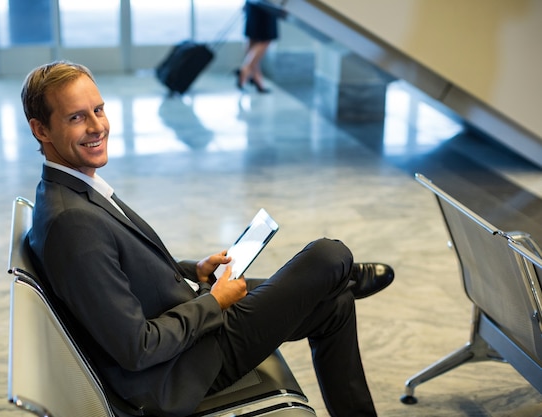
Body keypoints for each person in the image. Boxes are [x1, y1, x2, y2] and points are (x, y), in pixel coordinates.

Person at [22, 60, 394, 417]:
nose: (96, 126)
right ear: (41, 130)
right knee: (329, 256)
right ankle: (348, 274)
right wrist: (214, 303)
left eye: (98, 110)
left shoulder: (73, 191)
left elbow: (117, 271)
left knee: (336, 304)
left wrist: (190, 271)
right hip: (182, 368)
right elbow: (137, 348)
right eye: (76, 117)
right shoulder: (72, 222)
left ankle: (343, 286)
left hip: (184, 325)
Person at [236, 1, 279, 93]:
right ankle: (246, 69)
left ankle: (256, 77)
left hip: (253, 3)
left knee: (253, 38)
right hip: (266, 5)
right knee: (266, 39)